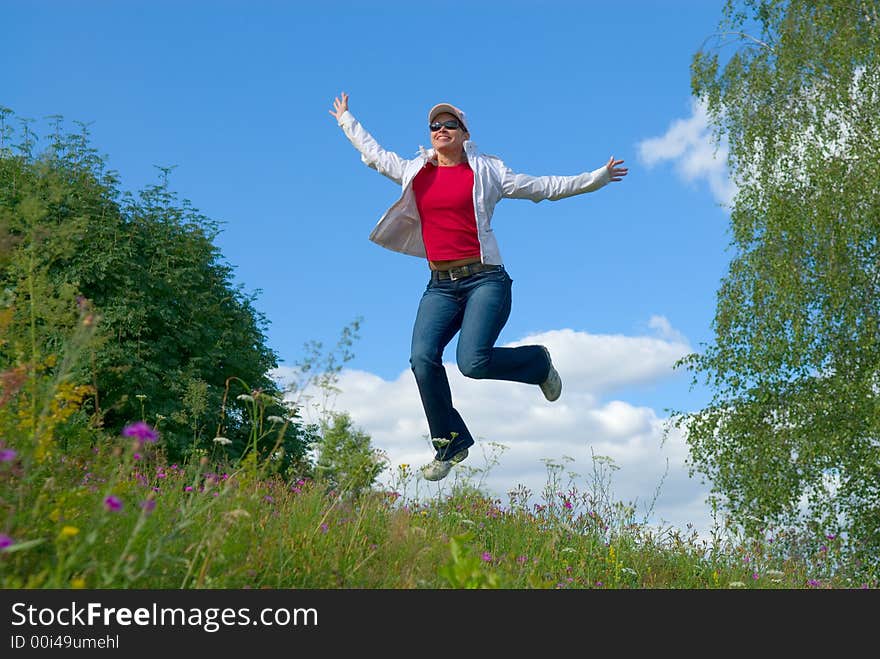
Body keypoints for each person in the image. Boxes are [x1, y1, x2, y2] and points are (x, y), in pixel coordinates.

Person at [329, 92, 628, 482]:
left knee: (472, 362)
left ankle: (538, 363)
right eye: (434, 125)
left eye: (448, 124)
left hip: (486, 279)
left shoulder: (486, 172)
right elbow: (374, 155)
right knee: (422, 359)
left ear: (464, 132)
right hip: (440, 285)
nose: (440, 130)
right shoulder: (415, 171)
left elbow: (544, 187)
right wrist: (346, 120)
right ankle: (450, 444)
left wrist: (597, 178)